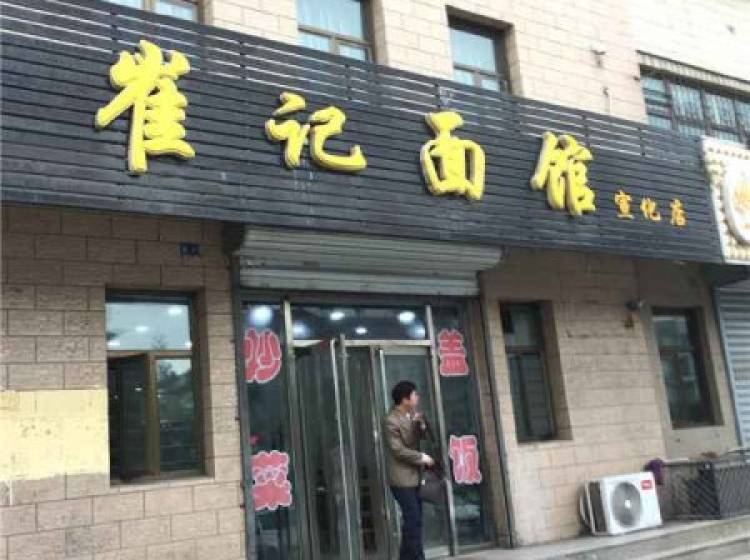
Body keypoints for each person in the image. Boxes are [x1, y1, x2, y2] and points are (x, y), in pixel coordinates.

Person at [383, 380, 434, 560]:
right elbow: (397, 450)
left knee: (415, 520)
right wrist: (421, 457)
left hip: (416, 476)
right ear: (405, 399)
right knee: (413, 519)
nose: (417, 397)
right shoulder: (391, 420)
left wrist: (421, 425)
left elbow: (423, 437)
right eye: (414, 394)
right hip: (401, 479)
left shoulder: (412, 415)